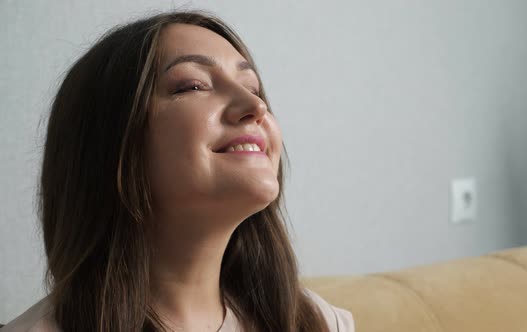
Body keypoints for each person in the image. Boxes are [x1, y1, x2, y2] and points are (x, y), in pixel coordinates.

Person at [1, 10, 354, 332]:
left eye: (252, 88)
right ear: (110, 143)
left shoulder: (322, 323)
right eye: (193, 85)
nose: (256, 106)